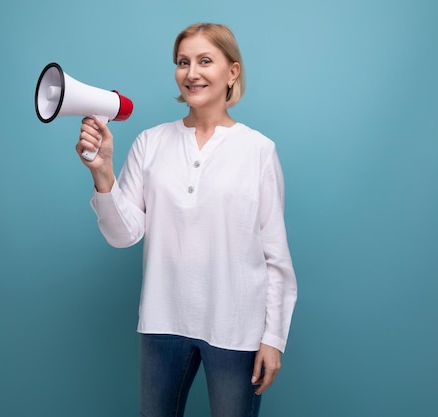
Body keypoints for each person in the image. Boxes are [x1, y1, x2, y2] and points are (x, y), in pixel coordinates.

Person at [76, 22, 297, 417]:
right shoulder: (150, 142)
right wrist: (103, 172)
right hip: (163, 320)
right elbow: (123, 235)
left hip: (236, 326)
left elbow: (275, 256)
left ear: (232, 71)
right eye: (183, 62)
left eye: (205, 60)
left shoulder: (258, 151)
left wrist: (273, 337)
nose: (191, 72)